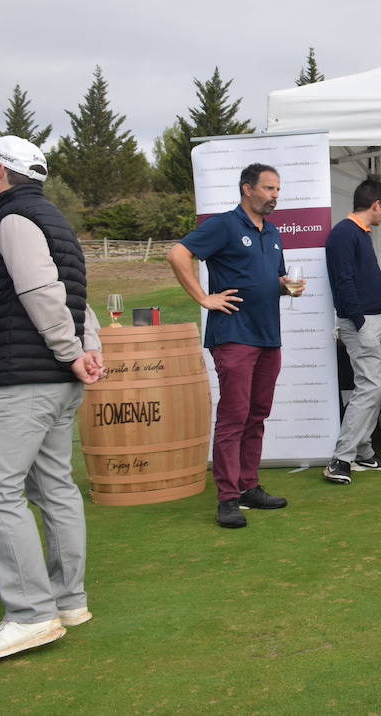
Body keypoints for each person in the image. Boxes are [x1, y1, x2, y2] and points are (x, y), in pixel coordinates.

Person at [0, 136, 103, 660]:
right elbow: (78, 297)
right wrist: (85, 349)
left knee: (1, 490)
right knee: (53, 487)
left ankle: (30, 613)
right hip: (55, 377)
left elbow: (42, 293)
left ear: (2, 172)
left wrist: (71, 351)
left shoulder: (14, 219)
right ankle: (68, 601)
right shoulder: (53, 218)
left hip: (27, 379)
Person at [168, 163, 298, 528]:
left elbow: (272, 279)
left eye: (277, 189)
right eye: (269, 189)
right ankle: (227, 498)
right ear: (247, 189)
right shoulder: (223, 224)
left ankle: (248, 486)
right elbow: (178, 254)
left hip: (268, 336)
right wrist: (203, 298)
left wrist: (286, 286)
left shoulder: (272, 232)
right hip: (234, 335)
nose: (275, 196)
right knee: (234, 417)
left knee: (256, 415)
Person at [322, 179, 381, 485]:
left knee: (375, 387)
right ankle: (341, 458)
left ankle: (364, 451)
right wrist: (358, 319)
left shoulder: (360, 234)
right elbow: (342, 280)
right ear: (376, 204)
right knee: (369, 387)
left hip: (378, 319)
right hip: (363, 321)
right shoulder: (343, 233)